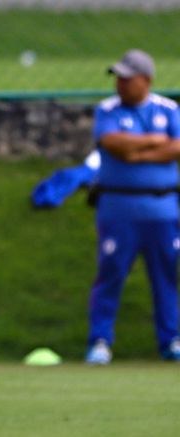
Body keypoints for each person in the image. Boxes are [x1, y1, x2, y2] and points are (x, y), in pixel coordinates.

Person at [85, 49, 180, 364]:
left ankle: (171, 341)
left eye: (128, 78)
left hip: (163, 209)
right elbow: (114, 144)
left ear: (146, 80)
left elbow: (176, 148)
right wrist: (155, 141)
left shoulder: (168, 109)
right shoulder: (108, 110)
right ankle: (100, 341)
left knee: (166, 275)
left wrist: (139, 149)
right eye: (119, 79)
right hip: (118, 208)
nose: (121, 84)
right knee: (110, 273)